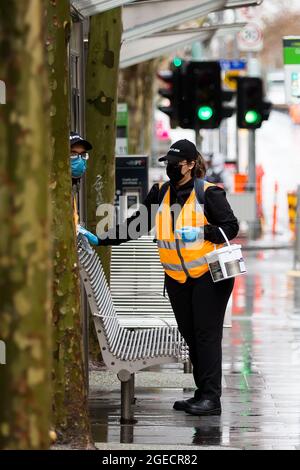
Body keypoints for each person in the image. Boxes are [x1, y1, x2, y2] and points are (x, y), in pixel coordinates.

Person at [82, 139, 239, 416]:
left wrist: (202, 232)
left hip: (209, 277)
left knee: (206, 335)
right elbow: (136, 224)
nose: (170, 168)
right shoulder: (161, 193)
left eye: (175, 164)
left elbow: (231, 227)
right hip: (178, 280)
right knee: (191, 336)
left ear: (190, 165)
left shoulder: (209, 194)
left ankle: (211, 399)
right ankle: (202, 393)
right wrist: (101, 239)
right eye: (168, 163)